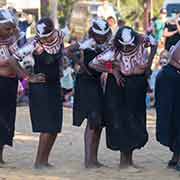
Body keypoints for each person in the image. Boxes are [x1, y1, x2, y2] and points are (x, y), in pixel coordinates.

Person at [89, 26, 157, 168]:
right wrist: (112, 70)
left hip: (137, 87)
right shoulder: (114, 50)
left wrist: (150, 63)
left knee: (135, 121)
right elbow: (94, 63)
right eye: (123, 46)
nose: (126, 48)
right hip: (119, 88)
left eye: (128, 45)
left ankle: (129, 161)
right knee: (122, 121)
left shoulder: (142, 41)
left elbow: (155, 43)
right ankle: (124, 162)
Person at [0, 8, 45, 164]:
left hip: (10, 85)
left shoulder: (12, 41)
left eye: (12, 28)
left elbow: (16, 61)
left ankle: (0, 155)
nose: (11, 31)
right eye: (7, 28)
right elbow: (10, 63)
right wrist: (27, 77)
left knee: (7, 121)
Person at [73, 19, 112, 168]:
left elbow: (108, 63)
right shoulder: (86, 43)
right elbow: (68, 51)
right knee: (92, 120)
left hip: (97, 84)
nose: (100, 38)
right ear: (92, 33)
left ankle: (94, 159)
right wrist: (80, 63)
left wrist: (107, 70)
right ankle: (88, 161)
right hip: (86, 84)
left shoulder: (107, 45)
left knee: (98, 123)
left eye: (103, 35)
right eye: (98, 35)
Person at [28, 17, 64, 169]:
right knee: (47, 127)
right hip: (40, 89)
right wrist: (28, 77)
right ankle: (38, 162)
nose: (46, 39)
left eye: (48, 35)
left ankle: (45, 160)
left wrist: (61, 70)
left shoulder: (60, 36)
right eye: (43, 36)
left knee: (55, 127)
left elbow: (61, 57)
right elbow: (12, 59)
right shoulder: (33, 44)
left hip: (55, 85)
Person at [155, 40, 180, 171]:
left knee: (174, 117)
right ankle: (177, 157)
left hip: (169, 75)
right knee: (174, 118)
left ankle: (176, 156)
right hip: (172, 76)